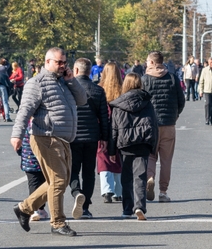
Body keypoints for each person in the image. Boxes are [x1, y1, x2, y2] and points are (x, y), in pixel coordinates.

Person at [10, 47, 88, 237]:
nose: (62, 66)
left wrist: (72, 80)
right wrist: (16, 134)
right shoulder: (36, 83)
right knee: (58, 180)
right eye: (58, 62)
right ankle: (58, 223)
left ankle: (24, 208)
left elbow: (82, 100)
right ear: (47, 62)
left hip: (63, 139)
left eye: (64, 62)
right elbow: (24, 110)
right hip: (46, 137)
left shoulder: (64, 82)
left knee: (60, 181)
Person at [109, 73, 159, 221]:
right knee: (140, 177)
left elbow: (114, 129)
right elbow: (153, 124)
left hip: (125, 144)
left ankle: (127, 209)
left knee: (126, 178)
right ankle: (139, 207)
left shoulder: (118, 104)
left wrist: (112, 150)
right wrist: (153, 146)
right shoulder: (147, 102)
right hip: (143, 142)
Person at [68, 58, 110, 220]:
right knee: (88, 172)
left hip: (72, 136)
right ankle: (85, 207)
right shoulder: (98, 90)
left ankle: (76, 192)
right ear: (89, 71)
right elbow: (104, 117)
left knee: (72, 170)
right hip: (92, 137)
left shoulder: (68, 88)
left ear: (76, 70)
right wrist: (105, 138)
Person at [142, 51, 185, 203]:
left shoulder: (145, 79)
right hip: (169, 124)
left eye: (147, 61)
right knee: (166, 160)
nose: (146, 63)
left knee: (150, 155)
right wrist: (175, 115)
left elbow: (140, 100)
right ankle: (163, 191)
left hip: (150, 124)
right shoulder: (172, 78)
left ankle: (150, 177)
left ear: (152, 63)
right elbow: (181, 100)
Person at [98, 63, 124, 203]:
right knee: (118, 158)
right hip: (119, 128)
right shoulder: (123, 89)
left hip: (103, 127)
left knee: (103, 158)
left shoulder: (100, 89)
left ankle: (107, 189)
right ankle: (118, 191)